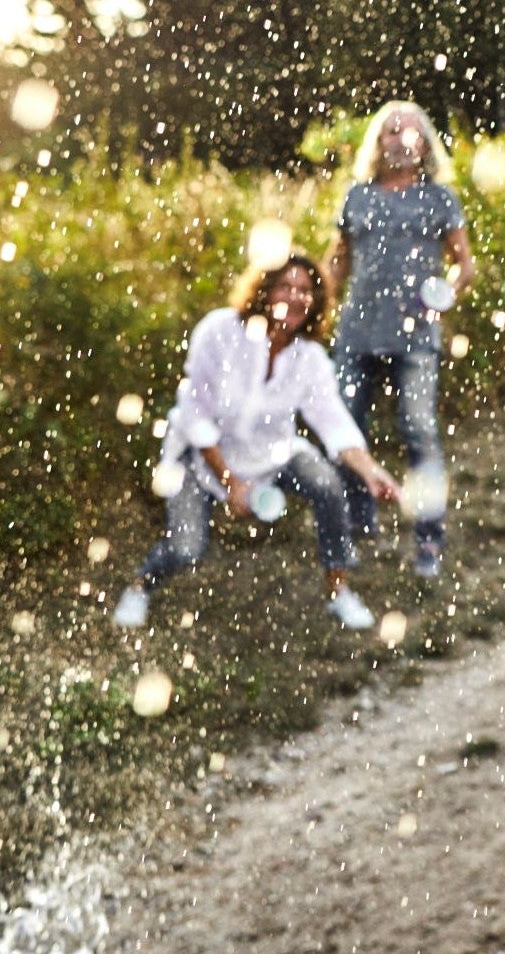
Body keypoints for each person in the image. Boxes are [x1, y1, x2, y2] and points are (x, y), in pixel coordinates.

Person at [112, 255, 400, 631]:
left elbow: (333, 422)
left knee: (327, 485)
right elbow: (196, 414)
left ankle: (339, 591)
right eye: (285, 286)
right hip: (201, 455)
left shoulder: (310, 358)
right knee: (186, 548)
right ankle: (139, 587)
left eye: (305, 291)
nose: (295, 297)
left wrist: (371, 471)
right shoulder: (219, 331)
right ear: (264, 290)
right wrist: (231, 482)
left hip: (271, 453)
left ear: (315, 302)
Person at [328, 101, 475, 578]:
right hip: (356, 333)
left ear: (425, 144)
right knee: (348, 430)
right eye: (391, 131)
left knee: (419, 432)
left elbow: (464, 266)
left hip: (416, 336)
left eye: (411, 132)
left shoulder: (439, 199)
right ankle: (357, 522)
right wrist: (316, 310)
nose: (401, 140)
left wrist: (444, 294)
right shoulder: (356, 196)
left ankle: (429, 537)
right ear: (378, 142)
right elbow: (337, 261)